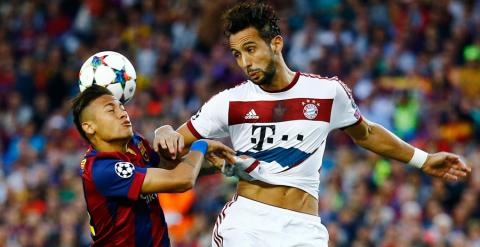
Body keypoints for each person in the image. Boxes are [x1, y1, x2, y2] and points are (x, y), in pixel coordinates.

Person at [153, 2, 471, 247]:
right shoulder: (227, 102)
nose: (245, 62)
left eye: (250, 49)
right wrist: (165, 132)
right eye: (237, 54)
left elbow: (368, 134)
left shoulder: (327, 93)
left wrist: (424, 159)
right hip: (247, 224)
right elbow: (171, 155)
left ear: (275, 43)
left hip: (304, 229)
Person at [71, 85, 236, 246]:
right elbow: (182, 180)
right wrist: (200, 146)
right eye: (110, 110)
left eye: (121, 107)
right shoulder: (102, 169)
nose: (122, 114)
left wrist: (219, 164)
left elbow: (169, 169)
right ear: (89, 126)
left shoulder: (135, 143)